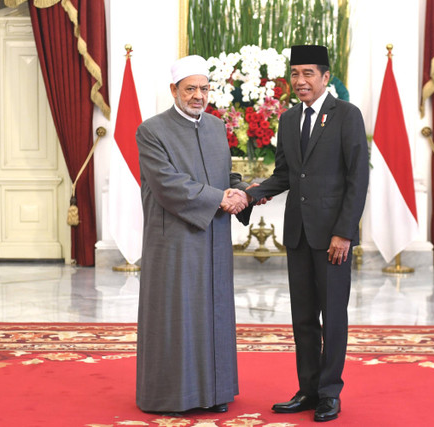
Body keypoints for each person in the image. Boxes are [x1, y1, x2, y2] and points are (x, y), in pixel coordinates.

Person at [245, 45, 369, 422]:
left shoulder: (347, 115)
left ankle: (330, 393)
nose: (300, 81)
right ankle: (308, 390)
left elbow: (357, 177)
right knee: (302, 318)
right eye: (295, 74)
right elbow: (285, 175)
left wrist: (344, 233)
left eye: (308, 74)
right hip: (298, 233)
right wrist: (251, 195)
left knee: (333, 317)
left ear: (325, 77)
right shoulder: (288, 119)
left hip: (333, 237)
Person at [135, 54, 252, 414]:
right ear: (174, 90)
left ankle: (215, 393)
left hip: (214, 238)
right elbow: (170, 186)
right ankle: (173, 397)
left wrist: (242, 191)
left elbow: (223, 177)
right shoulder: (151, 130)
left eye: (203, 88)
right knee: (178, 315)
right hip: (176, 241)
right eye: (190, 89)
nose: (198, 95)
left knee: (213, 313)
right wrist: (221, 198)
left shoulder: (216, 127)